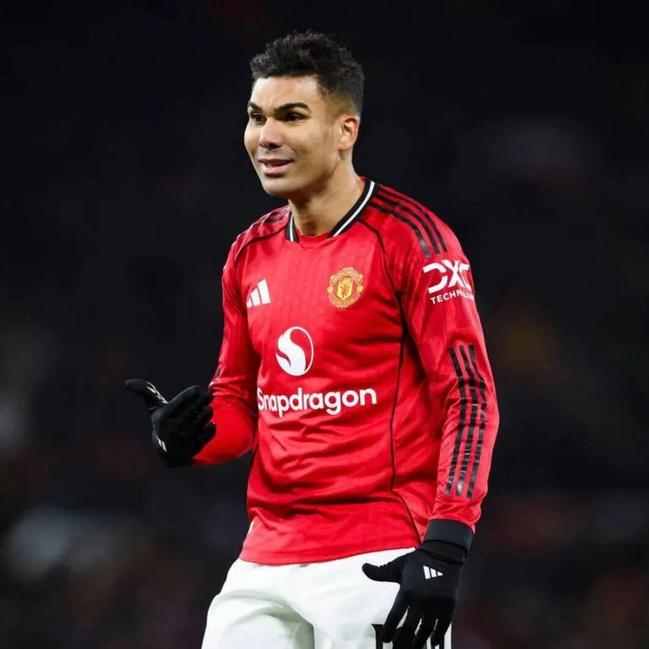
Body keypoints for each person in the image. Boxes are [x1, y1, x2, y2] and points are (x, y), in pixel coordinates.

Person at [126, 31, 499, 649]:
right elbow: (241, 400)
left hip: (378, 554)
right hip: (265, 559)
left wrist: (447, 542)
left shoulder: (411, 240)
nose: (266, 137)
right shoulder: (249, 252)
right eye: (256, 117)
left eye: (291, 116)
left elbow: (470, 394)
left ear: (345, 130)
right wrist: (192, 437)